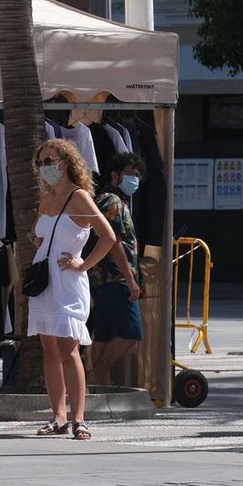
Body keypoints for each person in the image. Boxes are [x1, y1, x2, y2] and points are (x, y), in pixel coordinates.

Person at [27, 139, 116, 442]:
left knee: (69, 349)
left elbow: (108, 236)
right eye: (40, 162)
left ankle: (79, 418)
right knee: (49, 349)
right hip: (44, 279)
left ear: (65, 162)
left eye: (48, 160)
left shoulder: (79, 198)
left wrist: (84, 263)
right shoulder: (47, 198)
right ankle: (58, 416)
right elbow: (40, 237)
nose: (44, 167)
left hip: (67, 280)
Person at [87, 153, 146, 386]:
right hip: (114, 278)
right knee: (131, 332)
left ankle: (98, 384)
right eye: (130, 173)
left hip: (102, 279)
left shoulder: (113, 201)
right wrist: (131, 279)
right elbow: (113, 242)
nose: (135, 179)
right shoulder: (111, 201)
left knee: (104, 334)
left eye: (138, 175)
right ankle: (96, 375)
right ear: (115, 175)